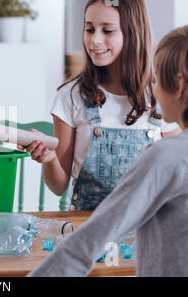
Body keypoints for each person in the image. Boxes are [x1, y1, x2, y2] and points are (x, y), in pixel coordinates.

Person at [28, 24, 188, 277]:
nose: (154, 88)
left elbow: (86, 245)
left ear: (178, 87)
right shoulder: (72, 95)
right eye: (89, 29)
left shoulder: (165, 156)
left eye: (159, 79)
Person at [19, 0, 181, 211]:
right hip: (88, 228)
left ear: (133, 33)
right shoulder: (71, 97)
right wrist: (48, 158)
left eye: (107, 30)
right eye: (89, 29)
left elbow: (178, 170)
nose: (94, 40)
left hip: (146, 229)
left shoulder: (160, 96)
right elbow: (58, 186)